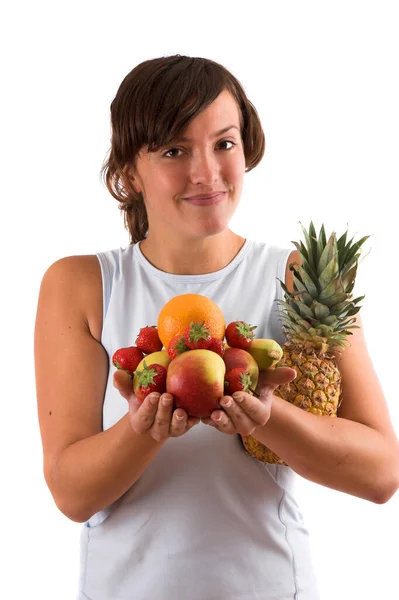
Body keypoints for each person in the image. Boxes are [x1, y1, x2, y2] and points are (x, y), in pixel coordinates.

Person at [34, 55, 399, 600]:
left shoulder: (299, 277)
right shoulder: (81, 285)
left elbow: (380, 473)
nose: (206, 172)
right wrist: (145, 429)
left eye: (224, 144)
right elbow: (71, 493)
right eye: (175, 150)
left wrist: (267, 419)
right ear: (129, 172)